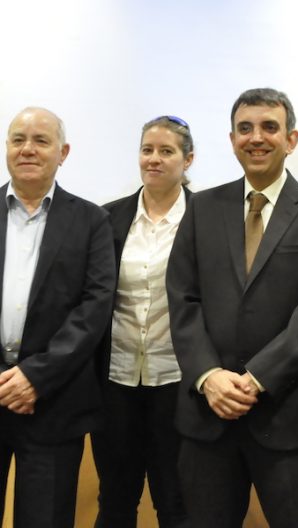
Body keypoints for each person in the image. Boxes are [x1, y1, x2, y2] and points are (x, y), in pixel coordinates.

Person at [166, 88, 298, 528]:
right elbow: (183, 299)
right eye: (245, 128)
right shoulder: (202, 208)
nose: (256, 138)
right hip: (208, 414)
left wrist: (257, 378)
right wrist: (209, 376)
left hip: (289, 417)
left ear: (291, 139)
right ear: (232, 140)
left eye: (270, 127)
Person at [0, 107, 115, 526]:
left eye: (41, 141)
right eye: (18, 140)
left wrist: (36, 376)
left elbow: (95, 306)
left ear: (63, 153)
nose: (27, 149)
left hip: (53, 402)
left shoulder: (92, 221)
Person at [91, 116, 194, 527]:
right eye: (147, 150)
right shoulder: (108, 218)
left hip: (178, 382)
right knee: (115, 499)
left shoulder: (206, 218)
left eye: (166, 151)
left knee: (176, 500)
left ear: (188, 160)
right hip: (116, 381)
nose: (154, 159)